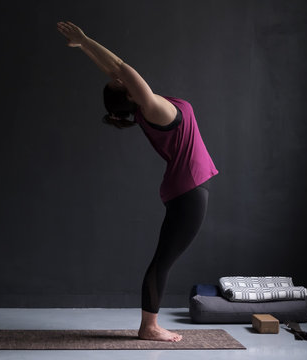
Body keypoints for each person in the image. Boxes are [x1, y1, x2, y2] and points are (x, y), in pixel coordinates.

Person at [56, 21, 219, 342]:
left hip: (183, 188)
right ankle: (149, 327)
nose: (118, 78)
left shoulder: (145, 108)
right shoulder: (154, 108)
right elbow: (118, 66)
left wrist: (85, 48)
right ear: (131, 94)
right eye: (120, 83)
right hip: (188, 191)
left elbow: (113, 71)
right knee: (163, 260)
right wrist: (87, 40)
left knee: (164, 258)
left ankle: (150, 325)